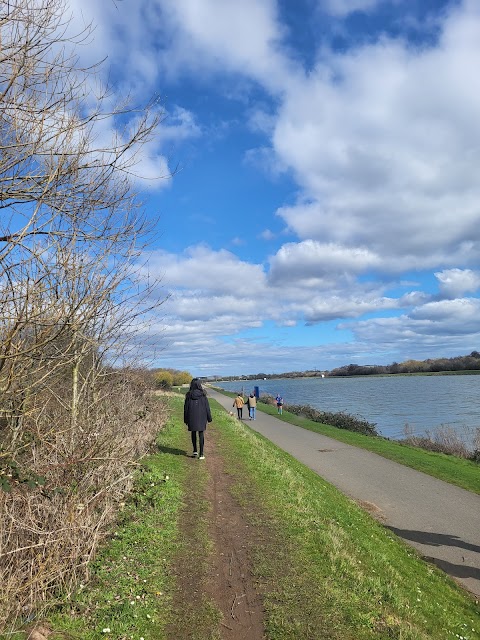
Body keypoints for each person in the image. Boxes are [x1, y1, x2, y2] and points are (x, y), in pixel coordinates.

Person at [184, 378, 212, 459]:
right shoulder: (203, 395)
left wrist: (185, 419)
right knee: (201, 434)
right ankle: (201, 453)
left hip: (191, 416)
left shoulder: (188, 395)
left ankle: (195, 451)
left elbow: (186, 408)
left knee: (193, 433)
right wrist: (209, 418)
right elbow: (207, 408)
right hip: (202, 417)